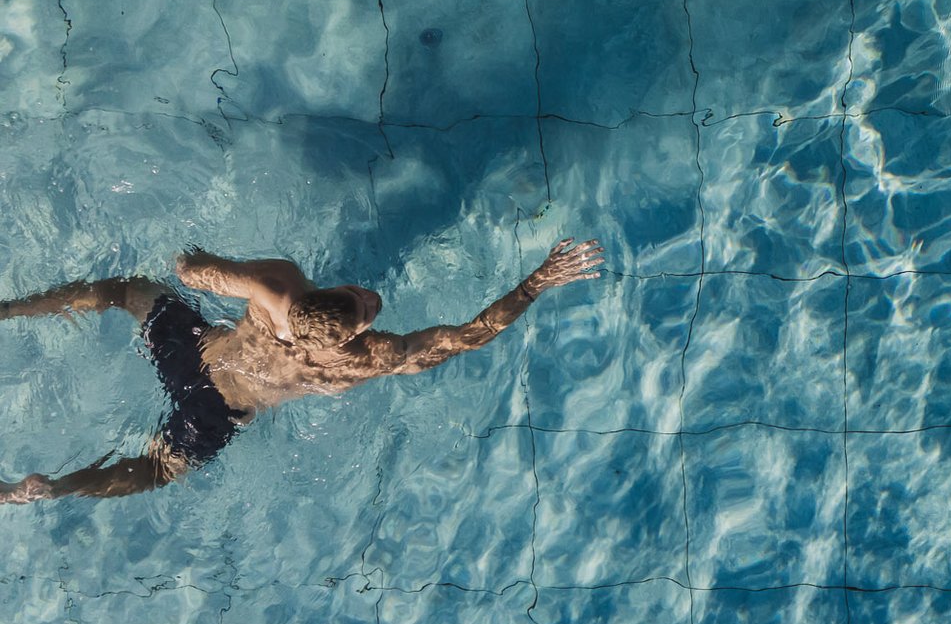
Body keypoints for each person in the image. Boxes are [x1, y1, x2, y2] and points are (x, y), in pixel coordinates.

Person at [0, 238, 603, 503]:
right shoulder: (366, 360)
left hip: (193, 353)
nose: (369, 299)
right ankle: (53, 489)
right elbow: (470, 335)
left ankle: (12, 309)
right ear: (358, 326)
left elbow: (192, 271)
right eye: (367, 304)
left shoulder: (273, 289)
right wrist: (538, 280)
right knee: (156, 472)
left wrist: (194, 260)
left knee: (125, 290)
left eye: (363, 302)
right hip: (215, 413)